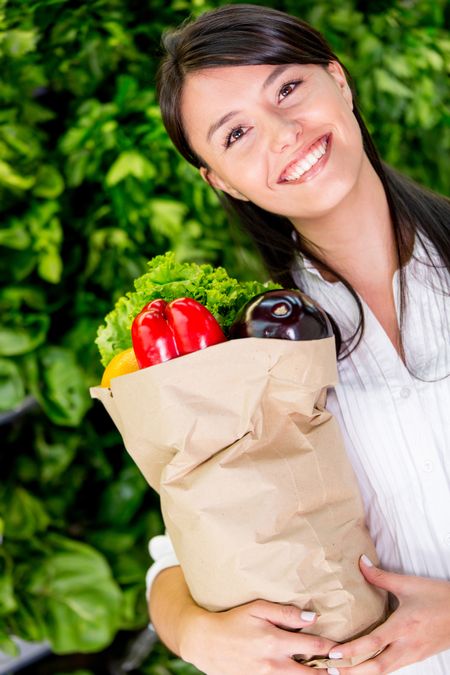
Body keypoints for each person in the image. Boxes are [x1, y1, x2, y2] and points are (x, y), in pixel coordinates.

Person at [145, 4, 450, 674]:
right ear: (220, 180)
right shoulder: (248, 355)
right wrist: (196, 631)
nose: (283, 133)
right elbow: (183, 551)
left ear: (338, 81)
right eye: (236, 134)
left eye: (287, 89)